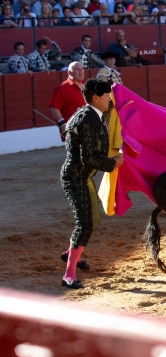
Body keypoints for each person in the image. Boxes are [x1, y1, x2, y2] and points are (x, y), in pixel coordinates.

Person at [60, 79, 124, 289]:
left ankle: (72, 254)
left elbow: (110, 108)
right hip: (76, 176)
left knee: (93, 218)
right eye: (107, 96)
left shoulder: (92, 112)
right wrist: (113, 163)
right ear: (96, 98)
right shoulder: (86, 120)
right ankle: (69, 274)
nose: (109, 100)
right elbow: (89, 158)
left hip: (84, 176)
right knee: (85, 223)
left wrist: (118, 90)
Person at [50, 62, 86, 141]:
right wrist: (62, 123)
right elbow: (54, 107)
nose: (81, 71)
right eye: (77, 69)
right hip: (73, 128)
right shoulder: (63, 88)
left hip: (88, 126)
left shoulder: (86, 85)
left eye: (82, 69)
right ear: (69, 72)